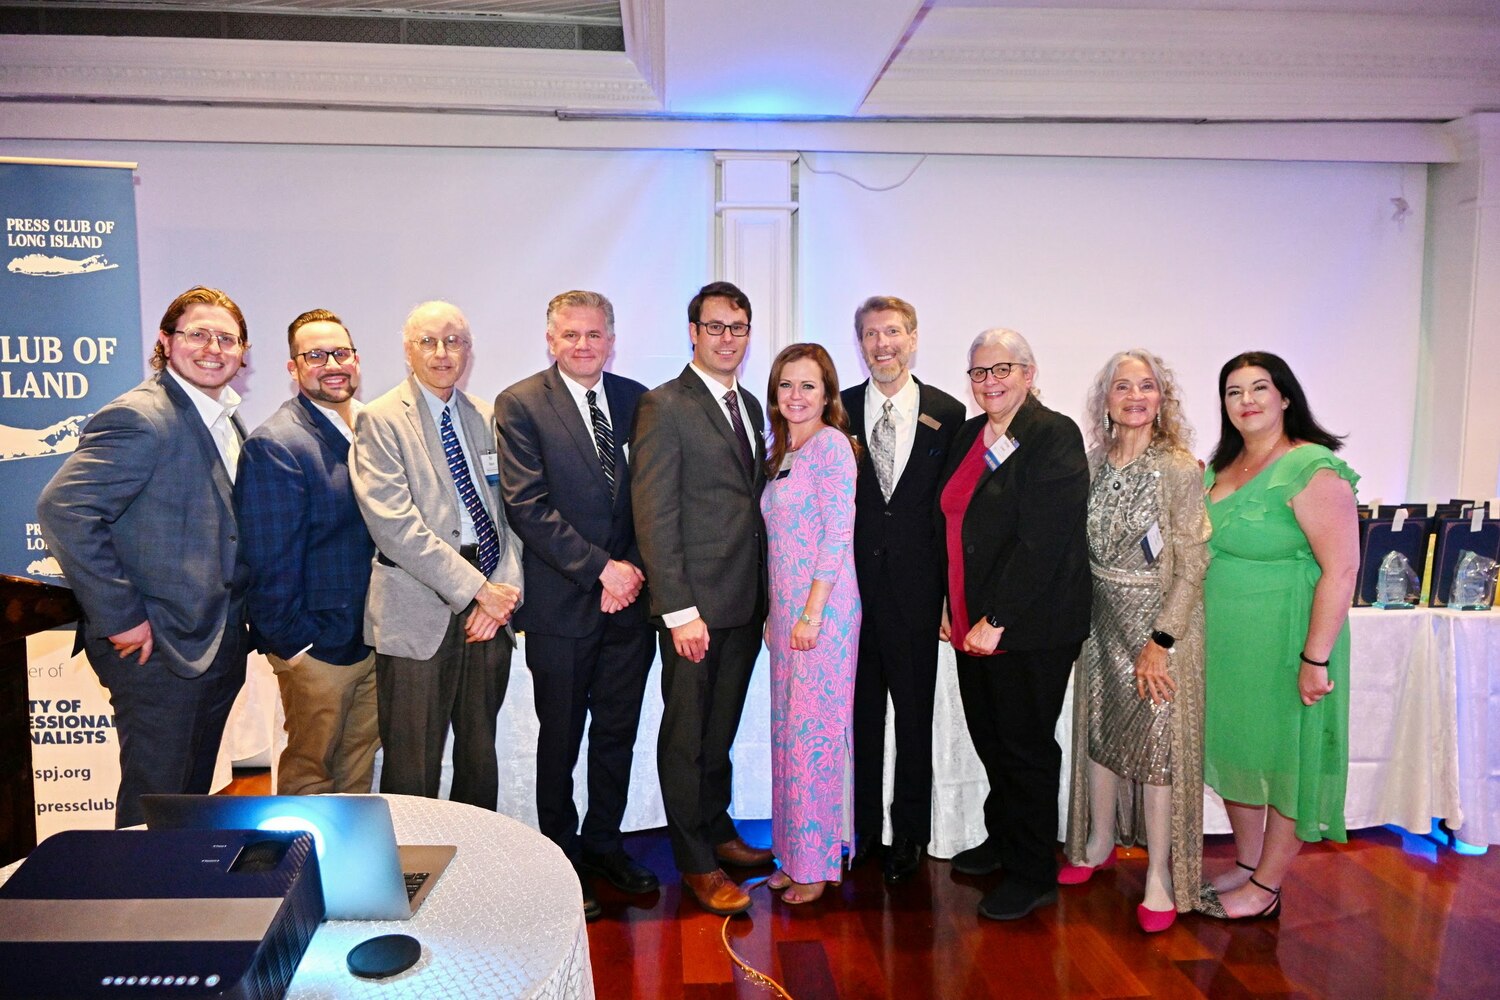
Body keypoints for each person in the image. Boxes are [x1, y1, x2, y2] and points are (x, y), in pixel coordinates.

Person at [36, 285, 251, 828]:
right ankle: (133, 909)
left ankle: (176, 905)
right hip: (156, 652)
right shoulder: (141, 417)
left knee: (187, 805)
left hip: (212, 644)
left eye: (227, 338)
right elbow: (64, 510)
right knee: (153, 804)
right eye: (197, 333)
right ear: (166, 340)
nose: (212, 347)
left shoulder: (225, 419)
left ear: (243, 351)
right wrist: (122, 617)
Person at [495, 290, 657, 921]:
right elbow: (526, 506)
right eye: (571, 335)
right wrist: (601, 571)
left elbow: (650, 496)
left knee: (616, 734)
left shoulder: (635, 399)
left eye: (594, 335)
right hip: (564, 607)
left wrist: (634, 571)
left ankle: (605, 845)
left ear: (610, 339)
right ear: (550, 339)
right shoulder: (521, 403)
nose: (583, 345)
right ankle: (562, 861)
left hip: (630, 606)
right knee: (560, 740)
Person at [1197, 351, 1358, 921]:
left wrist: (1314, 658)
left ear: (1285, 396)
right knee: (1240, 749)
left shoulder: (1311, 467)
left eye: (1259, 388)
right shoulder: (1221, 468)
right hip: (1228, 640)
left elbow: (1340, 570)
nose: (1247, 401)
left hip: (1286, 635)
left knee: (1286, 757)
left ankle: (1267, 886)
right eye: (1234, 391)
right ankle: (1245, 864)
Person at [937, 327, 1091, 921]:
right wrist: (951, 607)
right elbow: (953, 525)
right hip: (970, 624)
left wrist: (996, 618)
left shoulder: (1053, 434)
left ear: (1029, 373)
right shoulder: (972, 435)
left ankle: (1032, 872)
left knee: (1024, 747)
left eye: (1003, 369)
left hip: (1029, 629)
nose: (990, 381)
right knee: (992, 740)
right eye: (979, 373)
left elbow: (1043, 541)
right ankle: (1004, 838)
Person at [631, 280, 771, 916]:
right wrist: (679, 610)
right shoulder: (666, 405)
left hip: (743, 602)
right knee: (686, 736)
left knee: (719, 733)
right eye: (715, 327)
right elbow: (654, 514)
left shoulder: (751, 406)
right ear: (693, 332)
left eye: (738, 327)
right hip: (694, 612)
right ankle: (694, 862)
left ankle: (716, 831)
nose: (727, 338)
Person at [350, 301, 524, 809]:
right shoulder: (379, 420)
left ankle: (473, 869)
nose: (442, 352)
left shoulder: (484, 416)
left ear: (468, 352)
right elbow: (395, 526)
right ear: (408, 351)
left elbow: (508, 515)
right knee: (413, 763)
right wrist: (477, 591)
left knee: (479, 756)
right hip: (417, 610)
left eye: (454, 341)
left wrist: (504, 593)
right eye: (429, 341)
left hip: (489, 613)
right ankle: (407, 880)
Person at [1060, 349, 1210, 933]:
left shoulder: (1176, 467)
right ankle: (1098, 842)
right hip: (1100, 620)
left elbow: (1194, 561)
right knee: (1100, 730)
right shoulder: (1092, 462)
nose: (1135, 396)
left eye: (1147, 386)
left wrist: (1161, 640)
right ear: (1106, 399)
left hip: (1159, 626)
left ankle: (1160, 876)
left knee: (1155, 750)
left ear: (1161, 398)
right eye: (1123, 386)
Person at [841, 296, 964, 884]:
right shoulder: (837, 411)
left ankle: (909, 833)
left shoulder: (950, 411)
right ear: (860, 343)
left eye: (893, 332)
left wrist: (948, 596)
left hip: (919, 598)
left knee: (914, 719)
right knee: (862, 719)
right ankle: (865, 831)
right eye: (871, 334)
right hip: (853, 597)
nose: (882, 344)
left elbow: (953, 516)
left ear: (913, 338)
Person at [235, 308, 380, 795]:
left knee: (357, 770)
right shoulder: (277, 444)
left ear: (356, 360)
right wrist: (296, 647)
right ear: (293, 368)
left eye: (341, 352)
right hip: (317, 650)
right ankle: (298, 872)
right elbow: (267, 560)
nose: (331, 363)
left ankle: (348, 871)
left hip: (372, 638)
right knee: (310, 776)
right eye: (315, 355)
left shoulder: (370, 429)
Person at [759, 343, 862, 905]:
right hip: (788, 616)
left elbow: (837, 534)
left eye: (808, 386)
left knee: (816, 739)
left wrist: (812, 611)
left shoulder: (831, 448)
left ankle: (818, 866)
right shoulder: (782, 450)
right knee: (787, 738)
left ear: (827, 394)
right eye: (786, 386)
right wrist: (779, 614)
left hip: (823, 615)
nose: (796, 396)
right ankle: (792, 854)